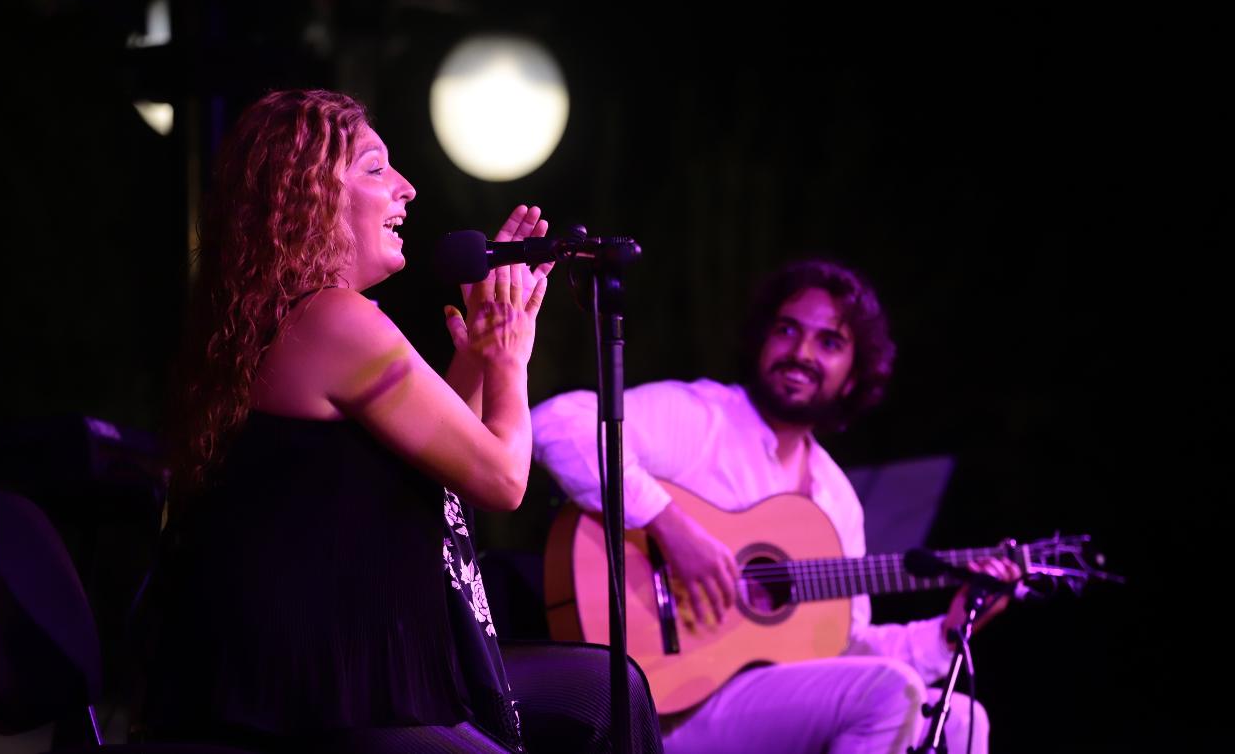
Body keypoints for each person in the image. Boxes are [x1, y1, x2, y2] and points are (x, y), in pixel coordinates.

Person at [144, 88, 562, 752]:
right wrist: (511, 357)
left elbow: (430, 456)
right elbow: (503, 481)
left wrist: (481, 352)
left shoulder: (281, 316)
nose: (407, 188)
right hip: (324, 694)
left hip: (307, 673)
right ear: (306, 198)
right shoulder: (335, 318)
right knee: (602, 695)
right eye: (374, 167)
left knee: (600, 689)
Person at [532, 258, 1020, 754]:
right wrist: (670, 527)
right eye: (787, 330)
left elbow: (846, 648)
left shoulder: (836, 498)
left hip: (761, 704)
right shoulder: (705, 418)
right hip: (665, 704)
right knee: (891, 692)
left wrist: (945, 634)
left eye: (829, 342)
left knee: (963, 718)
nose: (801, 352)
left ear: (854, 376)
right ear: (762, 340)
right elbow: (556, 423)